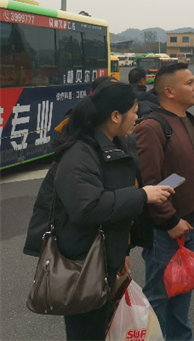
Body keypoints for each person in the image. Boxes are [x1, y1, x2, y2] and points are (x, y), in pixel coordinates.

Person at [24, 83, 173, 341]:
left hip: (103, 257)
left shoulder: (112, 144)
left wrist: (121, 251)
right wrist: (142, 195)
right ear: (115, 116)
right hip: (83, 263)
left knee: (99, 326)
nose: (137, 116)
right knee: (86, 330)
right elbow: (87, 207)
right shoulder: (79, 152)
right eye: (134, 111)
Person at [135, 62, 194, 341]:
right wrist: (170, 221)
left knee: (183, 287)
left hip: (190, 222)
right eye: (189, 83)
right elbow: (149, 182)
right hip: (165, 229)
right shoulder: (152, 127)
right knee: (158, 294)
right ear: (169, 91)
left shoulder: (189, 120)